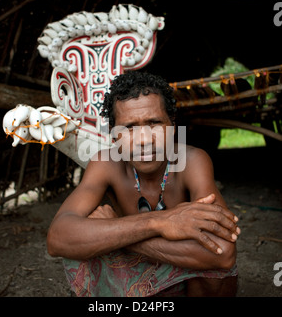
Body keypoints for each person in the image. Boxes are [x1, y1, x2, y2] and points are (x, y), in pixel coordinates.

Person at [47, 71, 240, 297]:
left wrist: (122, 236)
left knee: (215, 274)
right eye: (129, 128)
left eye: (155, 123)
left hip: (183, 276)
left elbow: (224, 253)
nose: (144, 140)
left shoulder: (191, 161)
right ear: (114, 135)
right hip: (135, 277)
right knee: (79, 249)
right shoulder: (105, 164)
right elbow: (58, 238)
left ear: (172, 125)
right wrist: (160, 222)